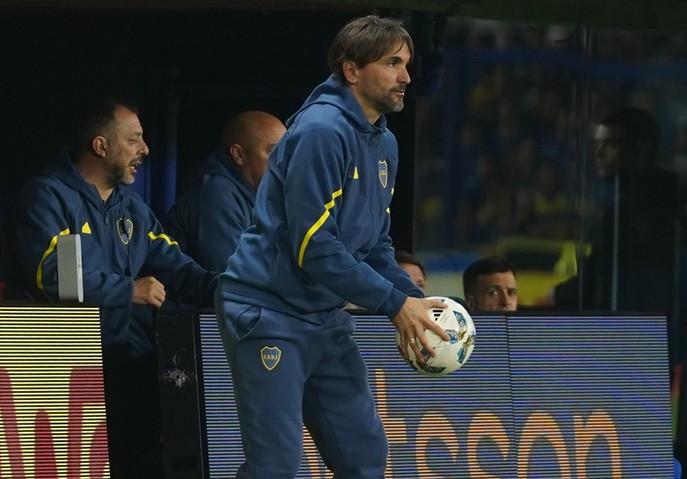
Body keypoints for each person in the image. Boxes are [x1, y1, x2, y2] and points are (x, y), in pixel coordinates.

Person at [214, 15, 449, 478]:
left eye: (407, 64)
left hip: (323, 317)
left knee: (363, 458)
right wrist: (393, 304)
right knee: (275, 467)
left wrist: (414, 301)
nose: (406, 76)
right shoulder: (322, 131)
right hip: (268, 312)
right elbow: (314, 247)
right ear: (352, 70)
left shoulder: (385, 142)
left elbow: (375, 244)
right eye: (393, 63)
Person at [11, 98, 217, 478]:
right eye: (134, 139)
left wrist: (227, 288)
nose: (145, 149)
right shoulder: (47, 195)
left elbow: (177, 266)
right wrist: (129, 290)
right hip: (62, 370)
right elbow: (54, 275)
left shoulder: (131, 207)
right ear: (100, 146)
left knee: (135, 460)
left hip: (127, 360)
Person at [551, 106, 681, 319]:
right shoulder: (658, 194)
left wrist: (556, 295)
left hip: (637, 331)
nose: (598, 152)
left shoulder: (634, 206)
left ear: (642, 148)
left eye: (610, 144)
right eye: (597, 144)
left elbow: (598, 277)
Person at [164, 111, 286, 272]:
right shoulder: (215, 194)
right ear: (238, 155)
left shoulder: (262, 194)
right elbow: (232, 277)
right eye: (273, 152)